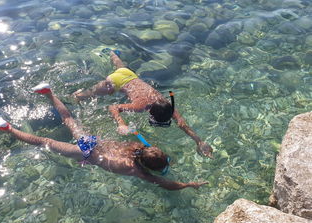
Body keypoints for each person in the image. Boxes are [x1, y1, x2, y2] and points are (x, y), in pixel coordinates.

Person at [0, 83, 208, 191]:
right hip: (86, 151)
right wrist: (188, 184)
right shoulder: (137, 171)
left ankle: (49, 93)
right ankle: (8, 128)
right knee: (45, 142)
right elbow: (165, 183)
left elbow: (145, 145)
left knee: (71, 121)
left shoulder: (139, 147)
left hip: (95, 141)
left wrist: (124, 126)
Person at [72, 50, 213, 158]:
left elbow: (182, 123)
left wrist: (199, 141)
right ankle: (75, 96)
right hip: (114, 82)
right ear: (151, 113)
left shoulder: (165, 104)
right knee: (86, 95)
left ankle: (112, 52)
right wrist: (121, 123)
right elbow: (113, 107)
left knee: (118, 64)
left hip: (129, 74)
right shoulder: (140, 106)